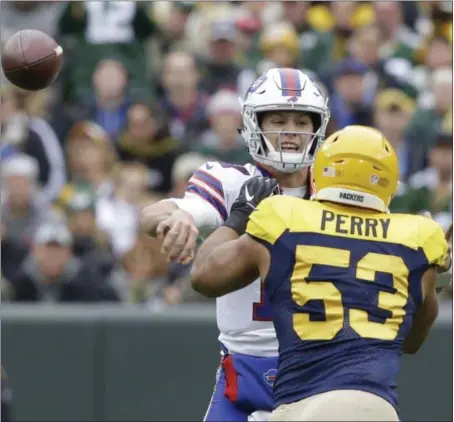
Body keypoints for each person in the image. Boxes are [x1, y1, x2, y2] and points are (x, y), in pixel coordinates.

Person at [191, 125, 450, 421]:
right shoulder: (418, 237)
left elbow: (204, 277)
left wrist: (239, 216)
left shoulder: (284, 218)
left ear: (321, 171)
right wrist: (434, 276)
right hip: (379, 406)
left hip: (306, 403)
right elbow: (411, 342)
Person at [140, 67, 330, 421]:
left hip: (317, 367)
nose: (290, 133)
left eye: (301, 123)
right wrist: (180, 217)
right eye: (278, 120)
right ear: (254, 124)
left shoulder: (336, 194)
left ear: (317, 129)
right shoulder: (231, 181)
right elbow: (152, 214)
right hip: (243, 371)